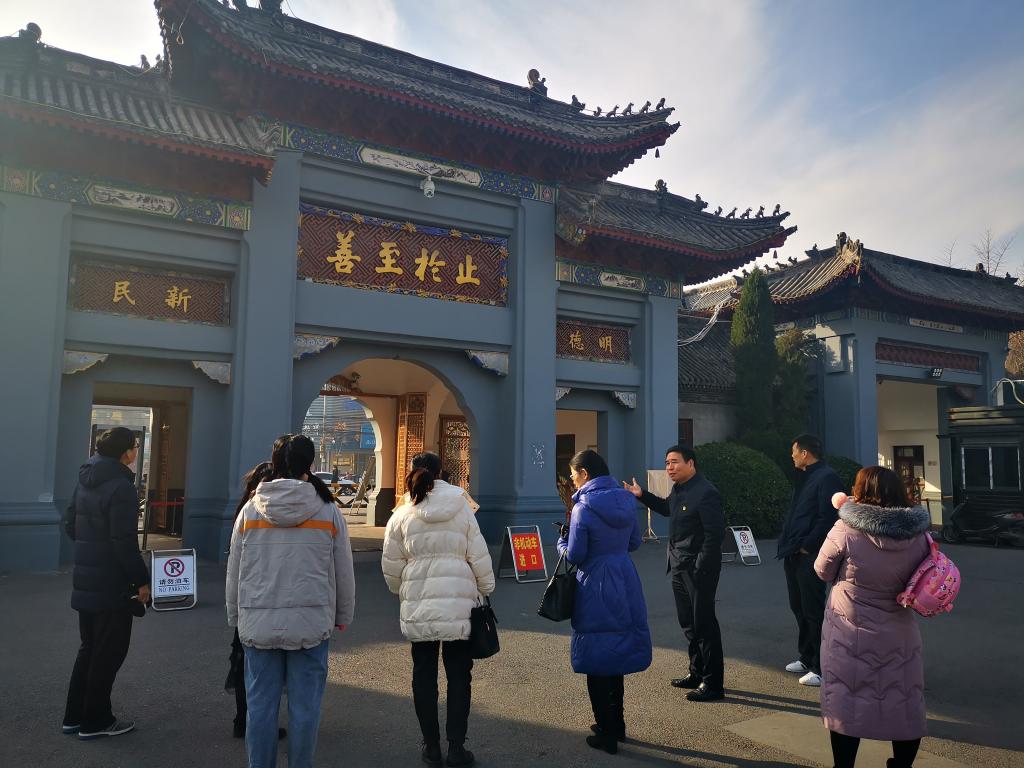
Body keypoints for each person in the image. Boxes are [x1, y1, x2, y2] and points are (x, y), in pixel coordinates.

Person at [226, 434, 355, 768]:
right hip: (311, 624)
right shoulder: (327, 510)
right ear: (310, 464)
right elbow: (343, 569)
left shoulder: (251, 510)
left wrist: (235, 616)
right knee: (305, 709)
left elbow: (235, 571)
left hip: (258, 624)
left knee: (260, 708)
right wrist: (343, 615)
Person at [381, 451, 494, 768]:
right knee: (459, 676)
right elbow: (478, 553)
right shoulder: (461, 506)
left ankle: (431, 747)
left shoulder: (403, 511)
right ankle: (457, 748)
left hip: (419, 604)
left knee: (423, 675)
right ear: (442, 472)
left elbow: (391, 565)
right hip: (459, 603)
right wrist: (486, 587)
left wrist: (403, 590)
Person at [815, 467, 931, 768]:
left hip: (849, 626)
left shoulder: (846, 528)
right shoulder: (919, 534)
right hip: (900, 626)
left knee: (847, 699)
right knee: (903, 698)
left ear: (861, 491)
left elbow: (822, 570)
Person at [560, 450, 651, 755]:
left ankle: (606, 732)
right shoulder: (626, 500)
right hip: (624, 576)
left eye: (573, 475)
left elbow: (576, 554)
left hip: (596, 580)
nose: (572, 480)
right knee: (616, 651)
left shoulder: (583, 508)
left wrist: (561, 542)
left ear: (585, 473)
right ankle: (618, 724)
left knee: (596, 656)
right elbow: (634, 542)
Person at [62, 427, 151, 740]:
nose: (136, 450)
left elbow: (70, 524)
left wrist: (92, 544)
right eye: (135, 446)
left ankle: (74, 717)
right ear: (125, 452)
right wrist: (141, 581)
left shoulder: (85, 479)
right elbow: (124, 541)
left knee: (89, 648)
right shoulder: (121, 487)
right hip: (112, 584)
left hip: (86, 580)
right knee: (108, 653)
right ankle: (96, 720)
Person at [625, 444, 725, 702]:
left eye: (675, 462)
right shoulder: (680, 489)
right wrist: (641, 494)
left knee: (704, 625)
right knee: (689, 624)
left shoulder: (706, 492)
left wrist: (700, 566)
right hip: (678, 565)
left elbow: (714, 535)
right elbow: (666, 508)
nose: (669, 467)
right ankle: (696, 672)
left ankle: (713, 684)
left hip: (698, 570)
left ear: (691, 463)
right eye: (667, 463)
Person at [225, 461, 285, 742]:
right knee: (267, 669)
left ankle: (243, 719)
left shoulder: (245, 510)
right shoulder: (265, 511)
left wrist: (233, 611)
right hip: (269, 598)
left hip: (248, 599)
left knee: (244, 664)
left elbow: (234, 567)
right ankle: (259, 723)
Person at [777, 434, 844, 687]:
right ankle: (806, 657)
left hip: (810, 554)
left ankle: (821, 666)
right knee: (798, 606)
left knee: (813, 609)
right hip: (793, 551)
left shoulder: (827, 477)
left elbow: (828, 517)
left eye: (794, 451)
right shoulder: (805, 476)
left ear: (805, 453)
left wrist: (808, 546)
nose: (792, 456)